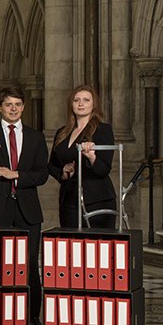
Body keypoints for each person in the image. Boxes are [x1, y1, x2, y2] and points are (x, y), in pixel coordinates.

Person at [0, 86, 48, 325]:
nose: (13, 109)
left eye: (18, 105)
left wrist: (16, 175)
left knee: (30, 264)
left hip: (28, 210)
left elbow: (43, 174)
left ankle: (32, 317)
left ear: (23, 107)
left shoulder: (35, 137)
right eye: (8, 104)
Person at [49, 85, 117, 229]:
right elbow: (51, 165)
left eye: (86, 100)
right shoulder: (62, 132)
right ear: (71, 104)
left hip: (97, 199)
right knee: (72, 246)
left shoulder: (103, 130)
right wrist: (63, 173)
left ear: (94, 105)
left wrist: (92, 157)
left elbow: (104, 169)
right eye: (76, 100)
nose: (81, 104)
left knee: (96, 248)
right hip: (69, 200)